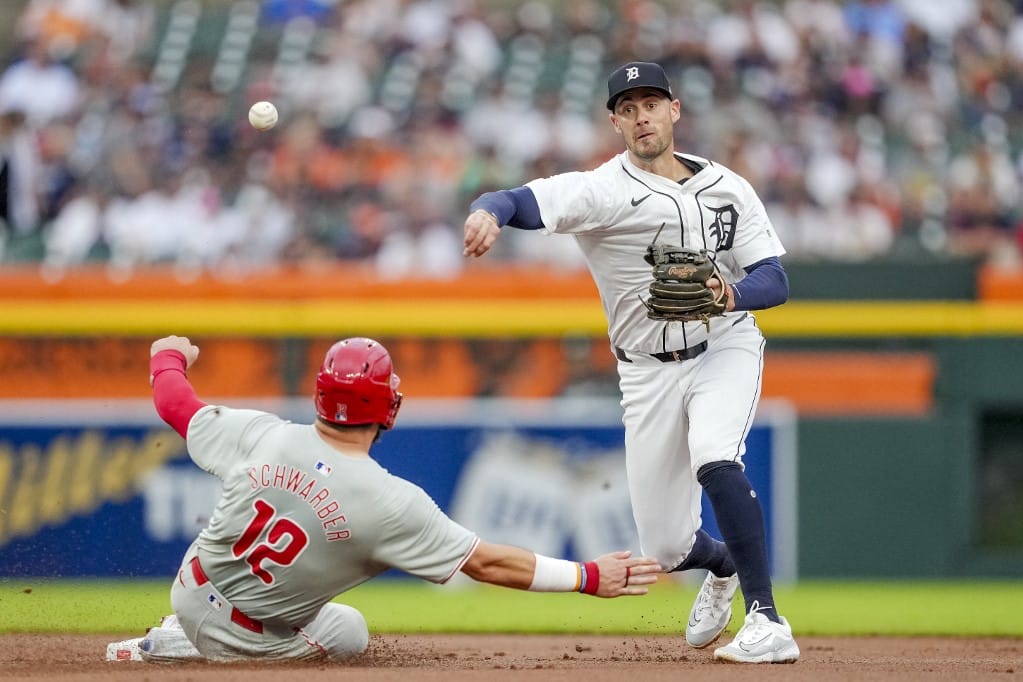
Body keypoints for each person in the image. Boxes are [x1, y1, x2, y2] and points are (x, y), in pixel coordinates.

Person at [461, 61, 799, 664]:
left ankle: (767, 618)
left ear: (675, 109)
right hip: (645, 368)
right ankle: (720, 569)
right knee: (666, 548)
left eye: (651, 102)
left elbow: (774, 278)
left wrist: (729, 295)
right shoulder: (602, 191)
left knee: (716, 456)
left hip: (725, 344)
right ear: (615, 121)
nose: (641, 115)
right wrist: (488, 213)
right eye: (628, 107)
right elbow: (516, 199)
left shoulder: (728, 185)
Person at [111, 335, 660, 664]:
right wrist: (588, 577)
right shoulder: (391, 502)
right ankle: (185, 648)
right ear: (386, 407)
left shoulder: (263, 434)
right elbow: (487, 562)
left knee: (301, 610)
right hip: (250, 640)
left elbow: (174, 403)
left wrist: (167, 355)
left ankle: (179, 631)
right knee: (348, 630)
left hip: (189, 589)